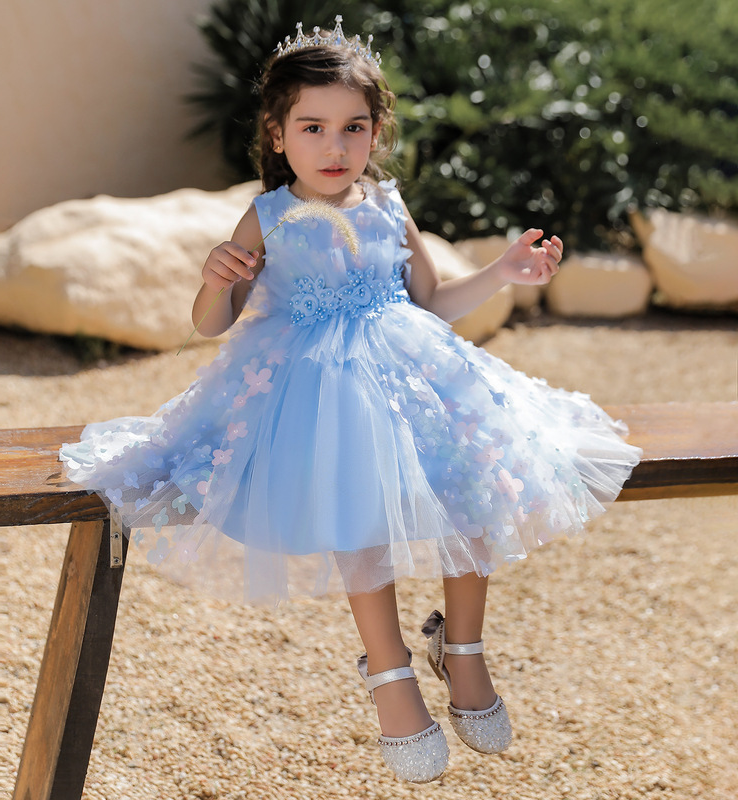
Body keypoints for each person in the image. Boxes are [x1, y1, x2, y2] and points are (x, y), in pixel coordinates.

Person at [60, 16, 641, 784]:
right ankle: (388, 667)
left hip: (412, 367)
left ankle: (463, 647)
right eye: (313, 128)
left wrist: (502, 273)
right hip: (314, 386)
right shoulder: (266, 217)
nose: (335, 147)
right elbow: (211, 325)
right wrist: (215, 281)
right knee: (356, 503)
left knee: (476, 473)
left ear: (375, 132)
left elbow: (431, 301)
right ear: (278, 135)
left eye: (354, 128)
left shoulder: (387, 204)